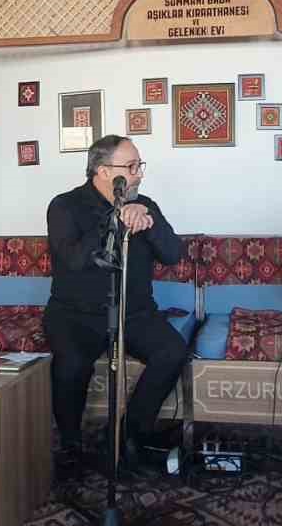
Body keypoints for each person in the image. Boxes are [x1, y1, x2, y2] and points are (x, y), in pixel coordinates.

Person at [43, 135, 188, 470]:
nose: (139, 174)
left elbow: (172, 254)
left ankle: (126, 434)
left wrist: (145, 219)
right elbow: (75, 260)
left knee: (173, 352)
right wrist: (115, 218)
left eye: (140, 166)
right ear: (103, 171)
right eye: (132, 166)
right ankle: (70, 446)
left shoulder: (145, 204)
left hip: (134, 313)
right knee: (71, 365)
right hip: (75, 315)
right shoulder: (64, 206)